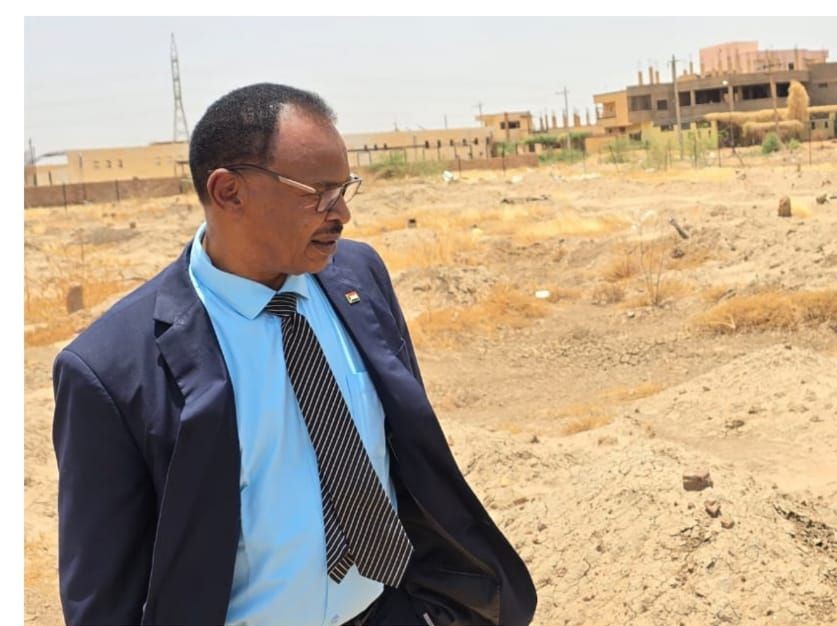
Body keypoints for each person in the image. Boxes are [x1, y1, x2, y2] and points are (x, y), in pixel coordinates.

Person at [51, 83, 536, 626]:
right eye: (319, 193)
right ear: (229, 192)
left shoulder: (359, 276)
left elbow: (409, 457)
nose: (342, 213)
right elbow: (103, 597)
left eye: (345, 189)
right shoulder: (110, 369)